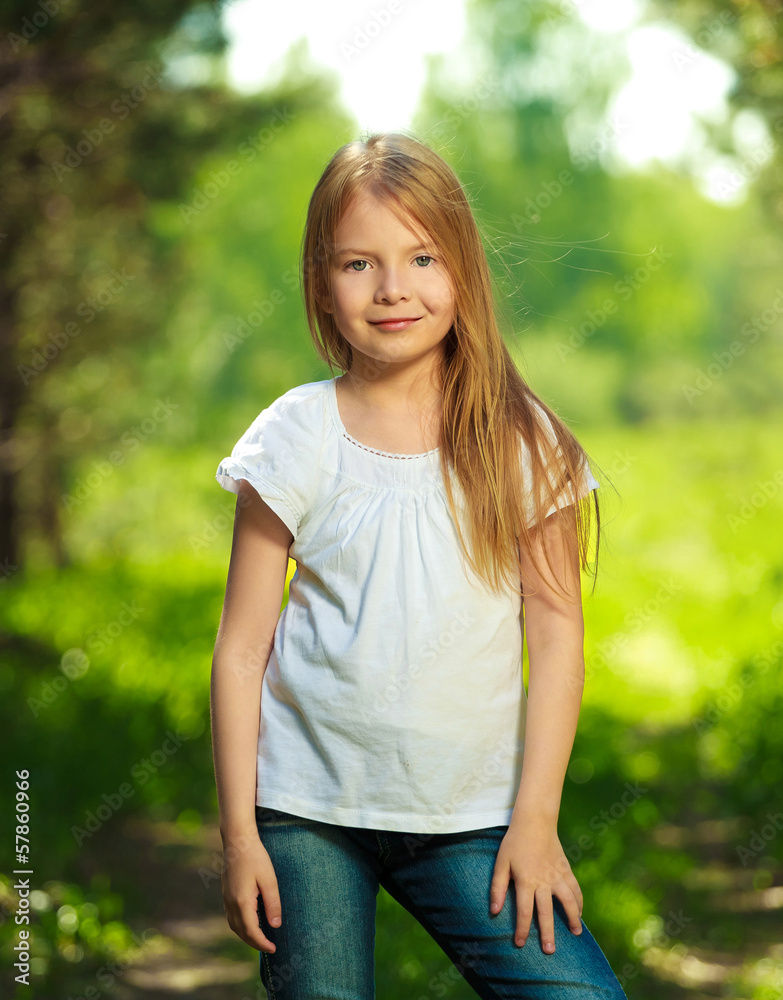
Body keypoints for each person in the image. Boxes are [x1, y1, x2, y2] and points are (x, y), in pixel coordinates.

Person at [210, 131, 628, 999]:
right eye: (358, 263)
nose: (392, 288)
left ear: (462, 271)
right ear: (322, 285)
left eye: (422, 258)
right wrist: (240, 836)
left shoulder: (522, 442)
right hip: (305, 812)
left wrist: (535, 822)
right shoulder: (294, 435)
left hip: (472, 816)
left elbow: (556, 638)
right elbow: (242, 650)